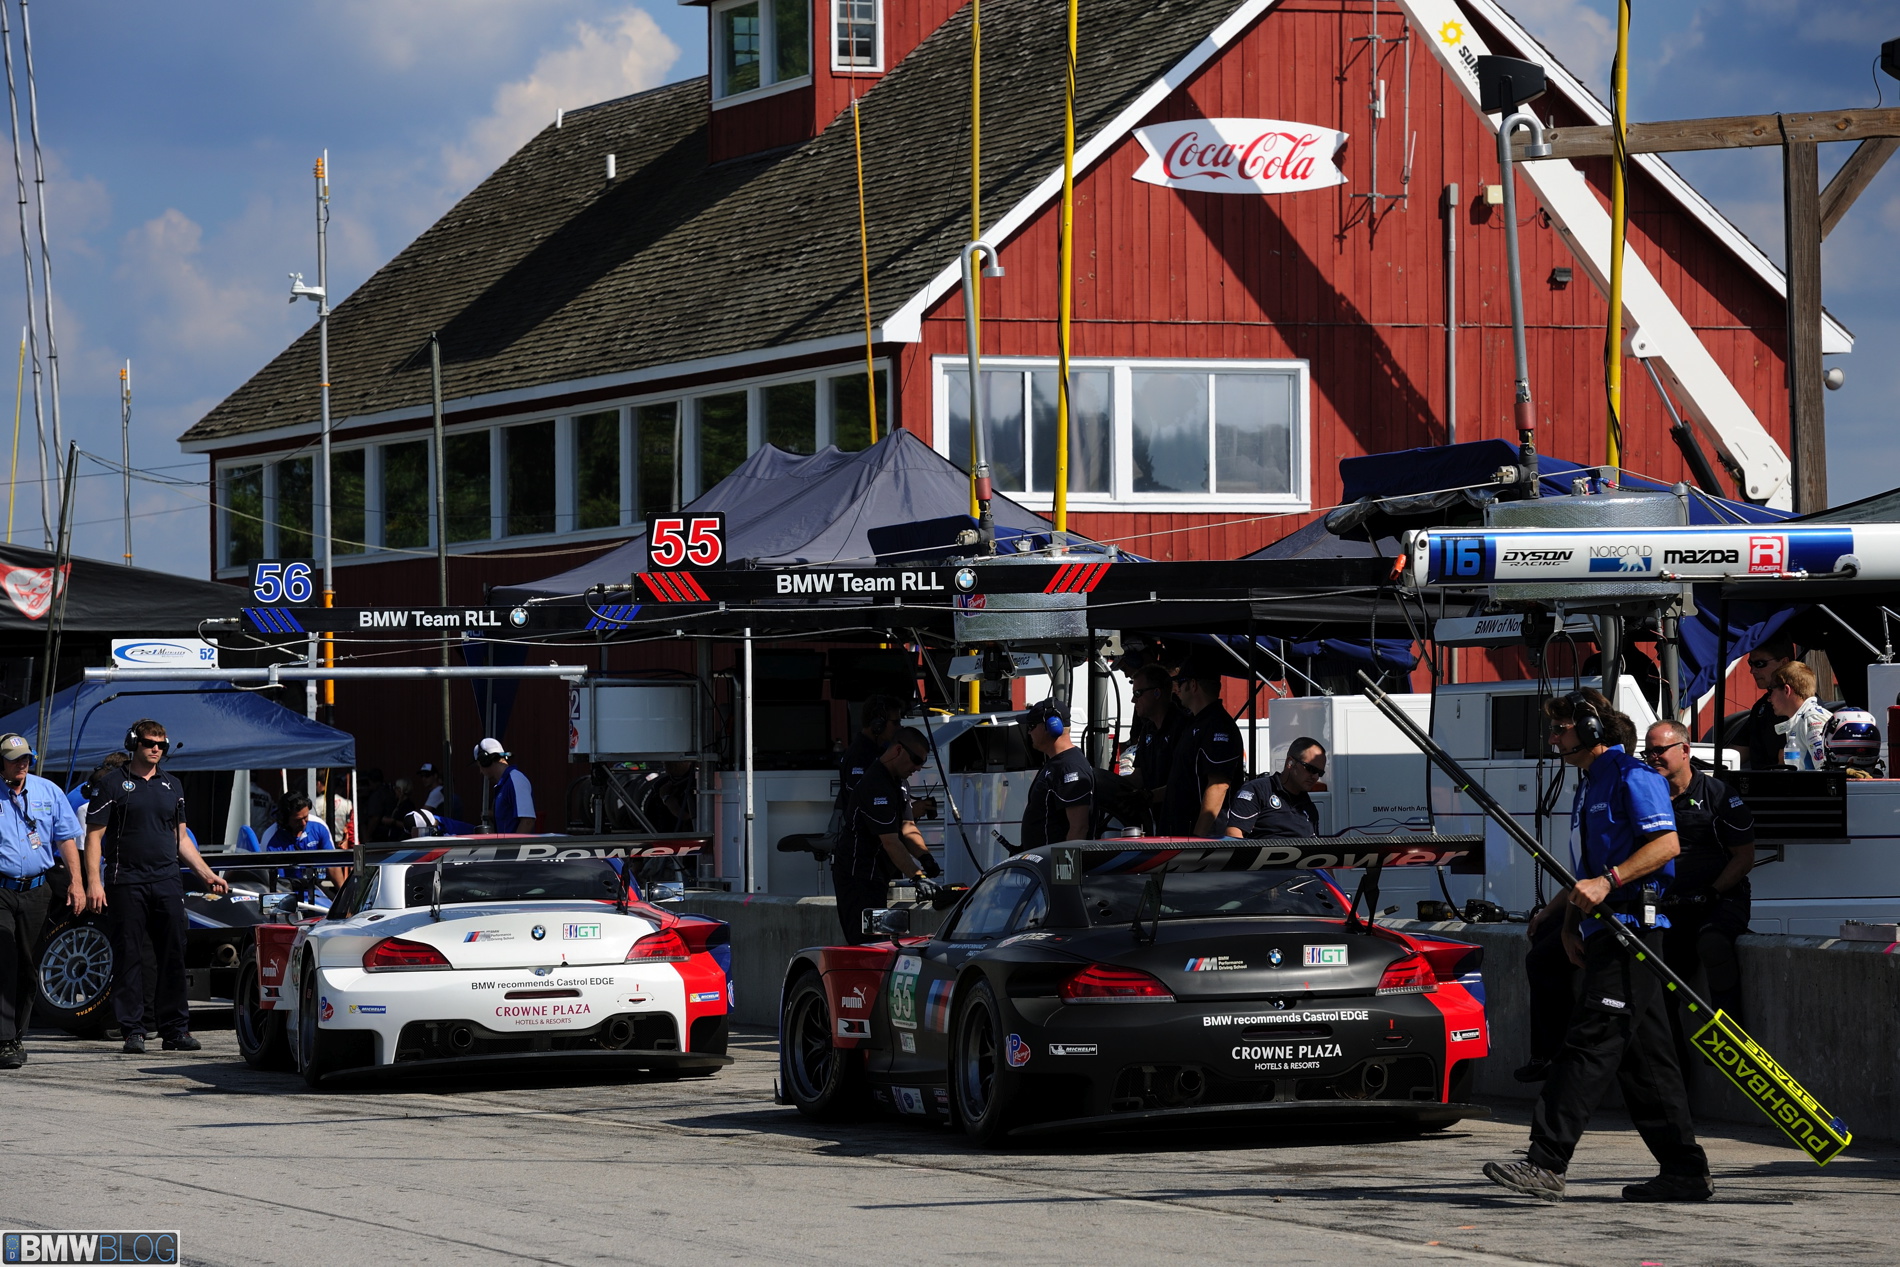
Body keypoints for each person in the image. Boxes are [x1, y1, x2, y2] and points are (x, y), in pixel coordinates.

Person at [1485, 690, 1710, 1204]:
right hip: (1604, 931)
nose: (1553, 739)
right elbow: (1585, 871)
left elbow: (1666, 845)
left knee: (1589, 1044)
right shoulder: (1588, 784)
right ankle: (1684, 1170)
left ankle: (1546, 1162)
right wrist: (1567, 923)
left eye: (1561, 728)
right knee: (1646, 1061)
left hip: (1633, 932)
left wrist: (1610, 881)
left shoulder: (1634, 776)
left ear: (1590, 729)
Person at [84, 718, 229, 1055]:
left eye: (161, 745)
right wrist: (93, 882)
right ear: (133, 743)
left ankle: (175, 1030)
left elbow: (182, 838)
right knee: (130, 956)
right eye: (150, 743)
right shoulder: (112, 784)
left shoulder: (172, 785)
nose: (156, 749)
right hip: (125, 881)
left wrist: (206, 873)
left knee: (173, 955)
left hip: (166, 880)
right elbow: (93, 837)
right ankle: (133, 1030)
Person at [1644, 720, 1754, 1022]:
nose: (1653, 758)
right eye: (1648, 752)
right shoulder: (1645, 798)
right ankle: (1671, 1051)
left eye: (1659, 750)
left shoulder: (1719, 795)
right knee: (1658, 971)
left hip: (1720, 900)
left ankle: (1731, 1034)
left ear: (1684, 750)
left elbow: (1744, 857)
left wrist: (1712, 892)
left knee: (1713, 945)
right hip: (1669, 906)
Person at [0, 733, 83, 1070]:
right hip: (1, 889)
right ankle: (4, 1039)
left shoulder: (48, 791)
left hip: (37, 889)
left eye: (26, 758)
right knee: (4, 958)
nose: (22, 764)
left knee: (28, 966)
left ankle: (16, 1035)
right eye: (14, 759)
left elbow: (66, 839)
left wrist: (77, 882)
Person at [833, 725, 938, 944]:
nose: (918, 768)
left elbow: (907, 827)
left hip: (878, 877)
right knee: (867, 945)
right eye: (916, 760)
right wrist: (918, 877)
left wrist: (926, 858)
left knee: (883, 943)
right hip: (858, 878)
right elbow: (890, 841)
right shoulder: (875, 784)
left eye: (922, 763)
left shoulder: (900, 783)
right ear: (898, 750)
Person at [1159, 661, 1243, 837]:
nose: (1176, 689)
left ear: (1193, 685)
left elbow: (1218, 785)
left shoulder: (1218, 725)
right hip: (1180, 833)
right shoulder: (1194, 723)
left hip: (1205, 840)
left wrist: (1198, 839)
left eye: (1180, 682)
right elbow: (1183, 781)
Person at [1018, 699, 1094, 850]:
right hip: (1041, 859)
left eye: (1032, 726)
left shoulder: (1070, 768)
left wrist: (1063, 864)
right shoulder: (1058, 763)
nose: (1029, 732)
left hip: (1052, 862)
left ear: (1051, 726)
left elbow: (1079, 828)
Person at [1122, 663, 1186, 831]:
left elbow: (1185, 783)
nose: (1133, 700)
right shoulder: (1147, 729)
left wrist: (1149, 796)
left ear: (1157, 693)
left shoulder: (1183, 728)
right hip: (1158, 822)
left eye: (1138, 693)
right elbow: (1139, 776)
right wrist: (1108, 783)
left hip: (1183, 824)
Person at [1224, 737, 1325, 838]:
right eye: (1311, 769)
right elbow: (1233, 833)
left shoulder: (1309, 806)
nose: (1315, 777)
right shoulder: (1257, 790)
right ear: (1290, 762)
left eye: (1320, 773)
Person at [1728, 637, 1796, 769]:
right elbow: (1735, 753)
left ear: (1784, 663)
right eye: (1750, 663)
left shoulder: (1807, 708)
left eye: (1759, 664)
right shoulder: (1761, 707)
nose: (1752, 670)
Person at [259, 792, 344, 891]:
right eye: (298, 820)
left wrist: (344, 894)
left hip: (315, 887)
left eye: (306, 817)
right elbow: (273, 880)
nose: (303, 823)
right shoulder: (271, 839)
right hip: (285, 891)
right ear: (284, 819)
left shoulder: (319, 827)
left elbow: (332, 866)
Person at [1767, 661, 1830, 770]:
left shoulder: (1812, 719)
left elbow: (1825, 770)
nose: (1769, 699)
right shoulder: (1801, 720)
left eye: (1771, 691)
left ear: (1786, 690)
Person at [475, 739, 537, 833]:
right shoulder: (506, 783)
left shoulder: (516, 780)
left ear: (485, 761)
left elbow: (527, 821)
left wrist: (515, 843)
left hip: (514, 843)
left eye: (480, 766)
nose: (480, 771)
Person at [313, 769, 355, 846]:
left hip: (323, 843)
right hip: (342, 844)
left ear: (318, 783)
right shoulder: (347, 803)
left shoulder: (315, 803)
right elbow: (350, 827)